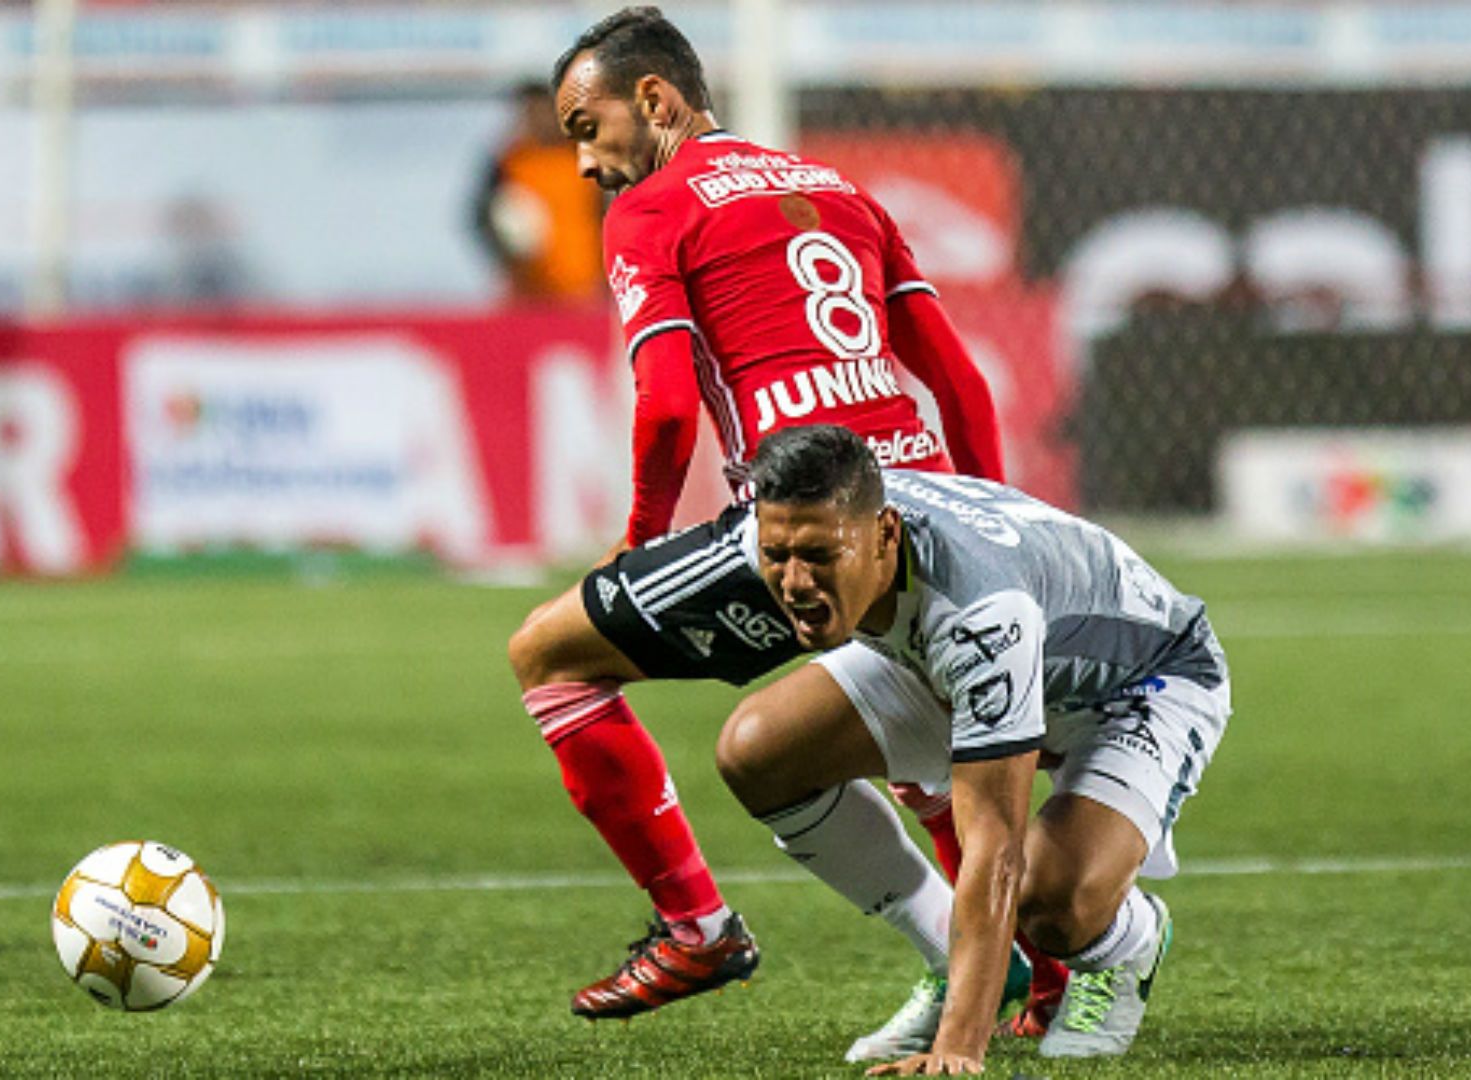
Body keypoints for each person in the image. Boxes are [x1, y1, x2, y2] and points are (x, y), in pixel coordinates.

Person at [505, 6, 1056, 1033]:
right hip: (922, 513)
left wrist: (636, 539)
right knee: (904, 713)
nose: (583, 163)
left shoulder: (654, 210)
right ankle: (1024, 968)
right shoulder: (841, 190)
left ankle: (694, 929)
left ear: (656, 101)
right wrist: (994, 514)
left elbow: (668, 401)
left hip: (806, 518)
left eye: (586, 127)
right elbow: (957, 378)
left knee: (552, 657)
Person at [713, 424, 1232, 1073]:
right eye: (777, 554)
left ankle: (1127, 943)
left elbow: (993, 841)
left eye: (818, 556)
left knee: (1049, 904)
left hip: (1140, 680)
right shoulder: (802, 518)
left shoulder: (980, 613)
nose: (792, 581)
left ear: (886, 535)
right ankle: (943, 954)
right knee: (760, 750)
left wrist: (957, 1048)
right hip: (978, 662)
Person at [470, 80, 607, 304]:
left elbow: (608, 215)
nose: (537, 120)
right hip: (527, 293)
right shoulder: (509, 161)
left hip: (583, 291)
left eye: (543, 111)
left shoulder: (587, 159)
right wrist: (508, 250)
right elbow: (482, 218)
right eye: (529, 113)